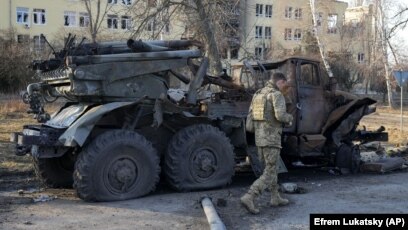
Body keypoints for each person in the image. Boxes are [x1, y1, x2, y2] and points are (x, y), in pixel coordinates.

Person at [241, 72, 293, 214]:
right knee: (270, 171)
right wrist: (290, 118)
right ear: (280, 82)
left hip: (260, 139)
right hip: (272, 139)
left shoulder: (258, 94)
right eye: (284, 83)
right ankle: (250, 196)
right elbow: (281, 116)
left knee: (271, 168)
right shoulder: (276, 95)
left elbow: (251, 117)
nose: (285, 87)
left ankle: (275, 197)